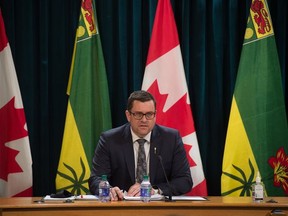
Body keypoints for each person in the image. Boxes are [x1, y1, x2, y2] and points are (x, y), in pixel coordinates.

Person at [89, 90, 192, 201]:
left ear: (155, 115)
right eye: (138, 114)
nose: (144, 120)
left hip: (158, 208)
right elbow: (96, 178)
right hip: (120, 207)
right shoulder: (110, 140)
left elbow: (185, 180)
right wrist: (109, 190)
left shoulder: (171, 139)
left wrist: (154, 190)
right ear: (128, 115)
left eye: (149, 114)